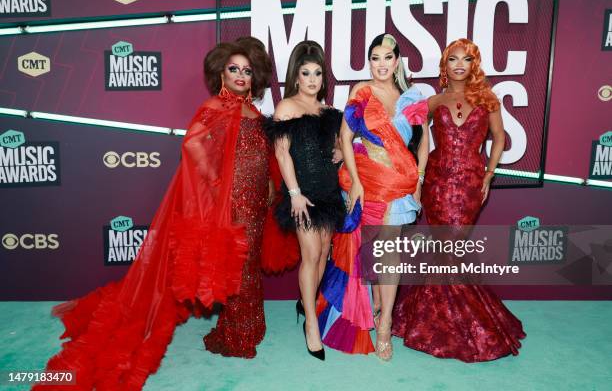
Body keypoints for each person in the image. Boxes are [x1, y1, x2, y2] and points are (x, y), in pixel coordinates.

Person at [34, 37, 273, 390]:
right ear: (221, 73)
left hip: (255, 199)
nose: (240, 75)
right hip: (233, 203)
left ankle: (251, 323)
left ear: (256, 76)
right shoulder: (217, 106)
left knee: (250, 262)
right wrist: (216, 180)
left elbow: (257, 155)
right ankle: (237, 332)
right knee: (237, 266)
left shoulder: (253, 111)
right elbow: (191, 141)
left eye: (247, 70)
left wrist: (267, 185)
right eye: (233, 69)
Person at [392, 38, 526, 362]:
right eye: (454, 59)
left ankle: (464, 323)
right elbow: (410, 133)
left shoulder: (488, 98)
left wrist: (489, 175)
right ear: (445, 65)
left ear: (474, 65)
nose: (460, 65)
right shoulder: (435, 100)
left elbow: (498, 139)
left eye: (467, 59)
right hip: (437, 183)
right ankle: (439, 323)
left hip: (469, 185)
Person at [316, 33, 428, 361]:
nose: (381, 63)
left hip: (401, 186)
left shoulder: (413, 96)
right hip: (368, 181)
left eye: (387, 57)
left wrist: (419, 179)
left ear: (397, 61)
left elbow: (423, 144)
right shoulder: (361, 92)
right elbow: (346, 137)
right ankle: (375, 308)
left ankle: (385, 325)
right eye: (375, 57)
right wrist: (356, 185)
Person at [265, 40, 344, 361]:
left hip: (328, 191)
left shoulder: (328, 112)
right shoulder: (286, 107)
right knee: (310, 255)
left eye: (318, 74)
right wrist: (294, 194)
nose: (312, 80)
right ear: (296, 78)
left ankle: (306, 301)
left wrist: (339, 152)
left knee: (324, 252)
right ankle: (311, 323)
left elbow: (338, 149)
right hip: (302, 194)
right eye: (306, 73)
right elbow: (282, 154)